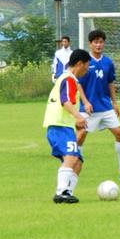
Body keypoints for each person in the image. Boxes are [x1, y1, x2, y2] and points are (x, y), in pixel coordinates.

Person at [76, 29, 120, 175]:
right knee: (80, 136)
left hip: (105, 107)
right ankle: (72, 166)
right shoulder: (85, 62)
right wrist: (86, 102)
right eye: (95, 42)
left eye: (101, 42)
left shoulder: (108, 62)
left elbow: (110, 83)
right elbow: (78, 84)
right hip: (89, 108)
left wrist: (114, 102)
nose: (98, 45)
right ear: (90, 44)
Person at [44, 49, 91, 203]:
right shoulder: (68, 79)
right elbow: (66, 101)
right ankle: (61, 192)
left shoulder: (68, 79)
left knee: (78, 161)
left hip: (64, 126)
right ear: (79, 63)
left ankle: (68, 192)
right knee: (71, 157)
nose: (86, 70)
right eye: (86, 66)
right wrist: (78, 117)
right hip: (59, 125)